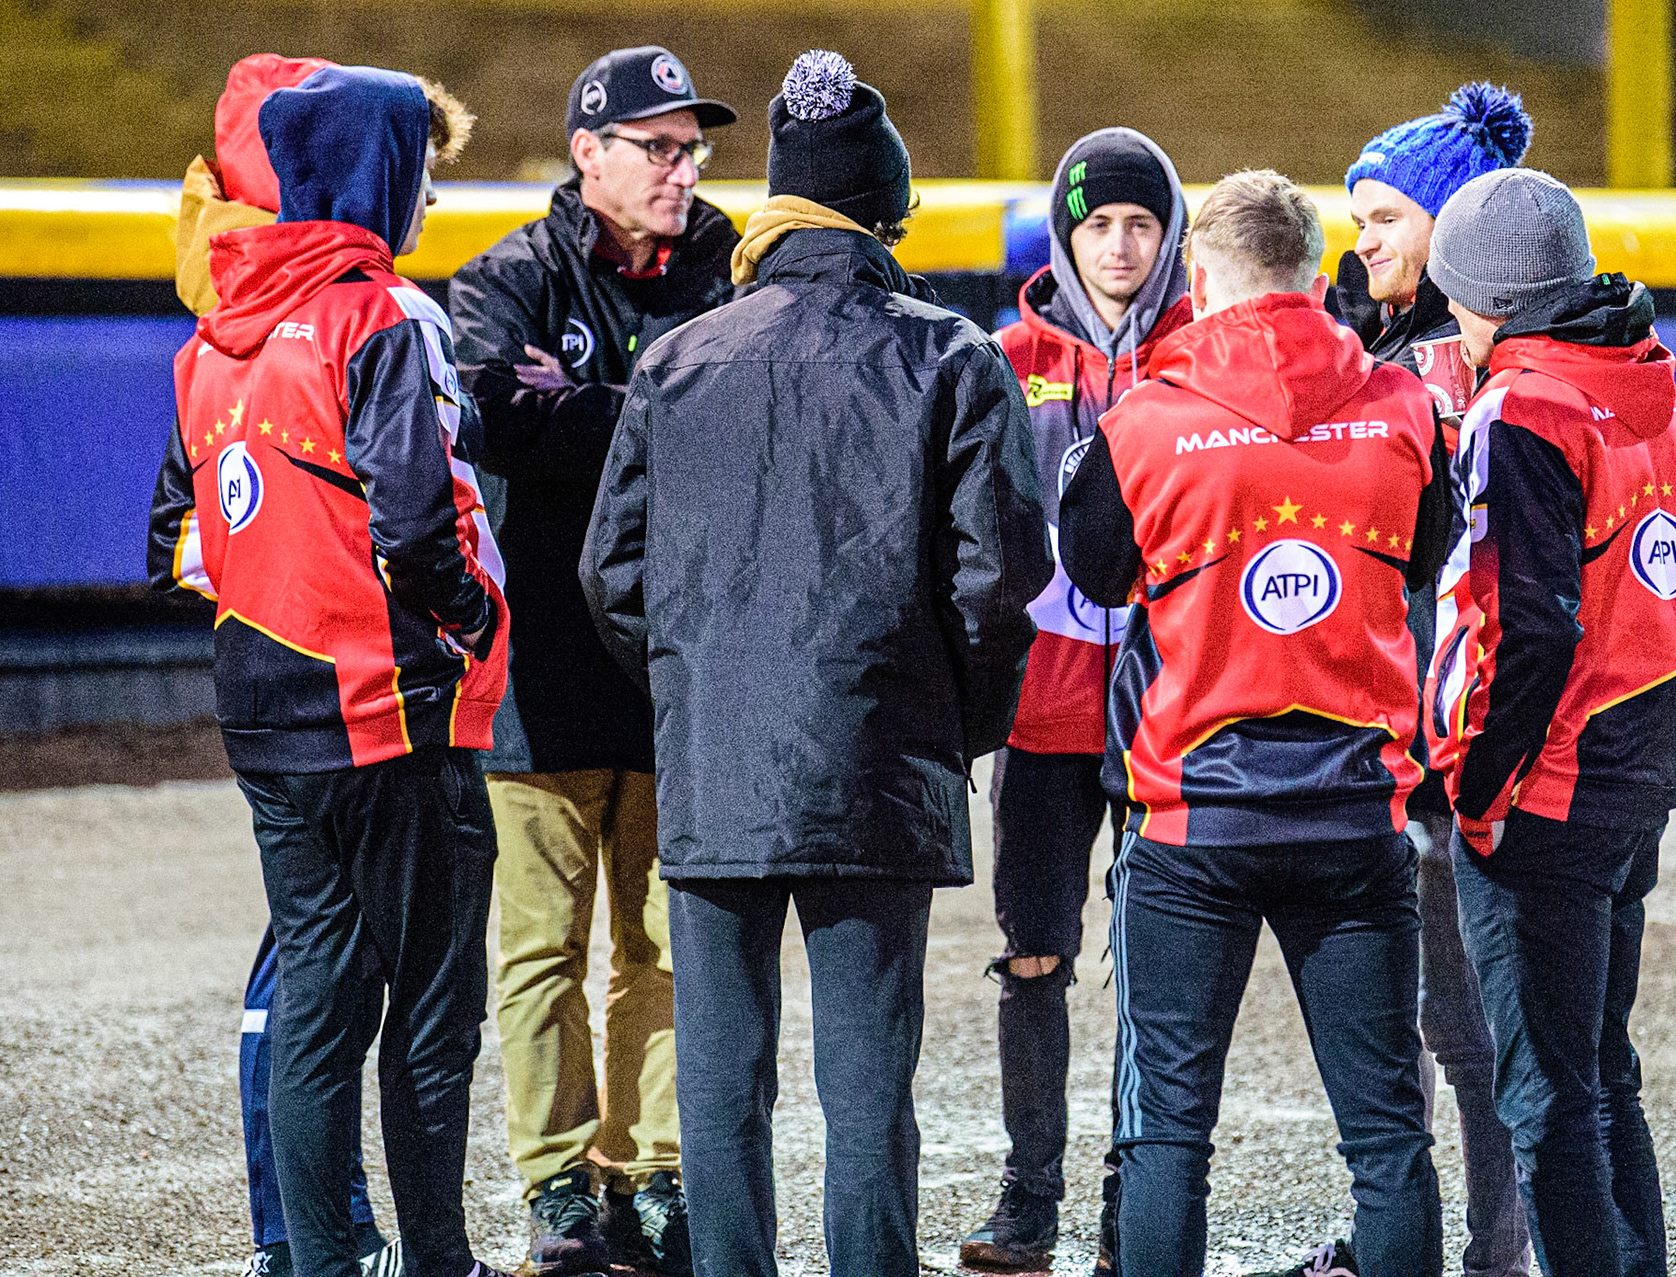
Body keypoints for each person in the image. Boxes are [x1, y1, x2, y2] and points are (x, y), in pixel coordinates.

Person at [580, 49, 1051, 1277]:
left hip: (720, 760)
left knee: (722, 1085)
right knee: (865, 1087)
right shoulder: (950, 355)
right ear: (886, 210)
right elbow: (1000, 575)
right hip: (880, 760)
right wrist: (954, 716)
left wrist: (698, 686)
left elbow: (609, 574)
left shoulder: (678, 361)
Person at [148, 65, 510, 1277]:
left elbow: (171, 545)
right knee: (431, 1013)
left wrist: (279, 587)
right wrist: (465, 621)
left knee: (315, 999)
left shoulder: (211, 340)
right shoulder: (380, 317)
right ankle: (441, 1258)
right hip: (394, 715)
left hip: (266, 719)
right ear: (379, 178)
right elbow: (418, 526)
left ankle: (315, 1259)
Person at [1057, 169, 1451, 1277]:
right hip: (1355, 809)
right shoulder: (1405, 408)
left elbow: (1096, 575)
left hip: (1194, 820)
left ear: (1198, 276)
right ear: (1315, 272)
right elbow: (1427, 557)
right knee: (1386, 1136)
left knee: (1169, 1129)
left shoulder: (1144, 420)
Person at [448, 45, 738, 1276]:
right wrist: (671, 405)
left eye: (692, 149)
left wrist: (588, 401)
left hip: (680, 667)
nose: (681, 170)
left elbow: (568, 421)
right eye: (657, 148)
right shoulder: (505, 277)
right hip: (539, 677)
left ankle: (656, 1177)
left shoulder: (734, 261)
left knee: (669, 951)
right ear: (588, 153)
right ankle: (561, 1186)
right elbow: (492, 413)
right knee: (541, 952)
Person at [1426, 168, 1676, 1277]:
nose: (1449, 312)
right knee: (1601, 1067)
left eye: (1457, 292)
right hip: (1636, 771)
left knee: (1546, 1094)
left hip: (1545, 789)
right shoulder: (1660, 400)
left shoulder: (1524, 410)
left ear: (1491, 296)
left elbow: (1522, 625)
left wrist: (1478, 788)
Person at [1312, 82, 1536, 1277]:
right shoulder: (1392, 348)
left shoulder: (1458, 378)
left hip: (1443, 754)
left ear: (1453, 224)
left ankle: (1494, 1250)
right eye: (1357, 218)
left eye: (1386, 216)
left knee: (1463, 1031)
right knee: (1415, 1021)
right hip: (1392, 737)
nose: (1365, 239)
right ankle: (1412, 1234)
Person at [960, 126, 1191, 1274]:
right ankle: (1030, 1194)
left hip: (1170, 710)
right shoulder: (1008, 355)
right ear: (1066, 232)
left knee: (1155, 966)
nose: (1120, 245)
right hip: (1042, 710)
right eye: (1098, 223)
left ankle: (1127, 1201)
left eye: (1142, 223)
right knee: (1036, 952)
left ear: (1173, 234)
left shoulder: (1205, 352)